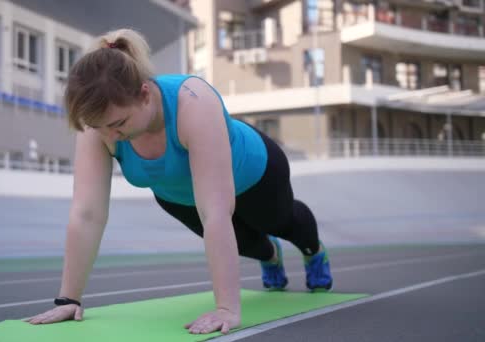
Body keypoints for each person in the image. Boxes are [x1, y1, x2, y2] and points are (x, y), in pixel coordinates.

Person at [25, 28, 332, 335]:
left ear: (145, 95)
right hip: (179, 196)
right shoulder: (100, 125)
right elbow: (87, 215)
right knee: (250, 245)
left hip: (256, 173)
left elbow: (215, 211)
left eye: (118, 125)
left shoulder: (193, 101)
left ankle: (313, 251)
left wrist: (227, 308)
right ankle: (271, 256)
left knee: (281, 222)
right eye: (100, 128)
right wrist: (68, 298)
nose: (109, 137)